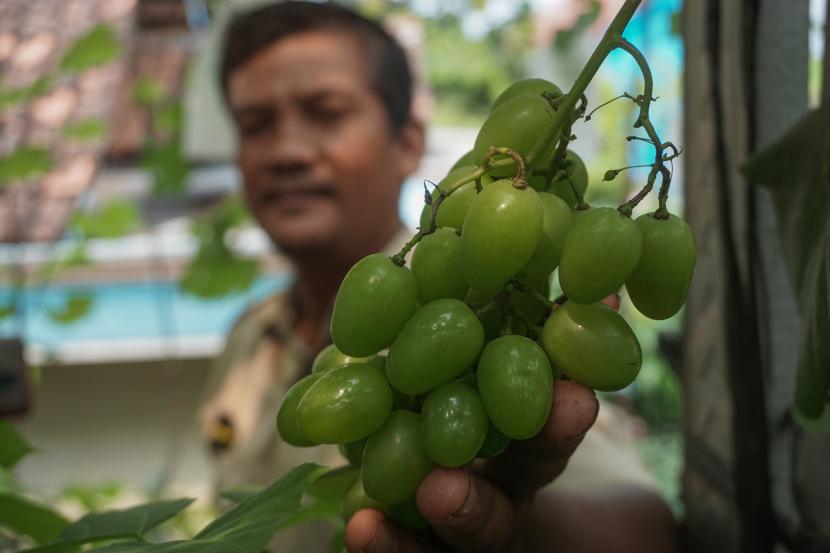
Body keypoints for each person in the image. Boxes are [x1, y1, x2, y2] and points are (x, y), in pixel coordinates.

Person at [200, 2, 679, 552]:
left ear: (409, 141)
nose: (285, 151)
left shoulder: (500, 314)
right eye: (256, 125)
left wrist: (527, 530)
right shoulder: (245, 339)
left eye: (324, 112)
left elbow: (648, 528)